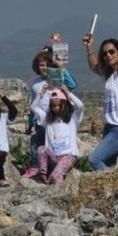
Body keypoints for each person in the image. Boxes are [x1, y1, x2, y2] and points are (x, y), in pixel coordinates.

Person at [82, 34, 118, 170]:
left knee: (94, 159)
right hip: (110, 126)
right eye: (105, 53)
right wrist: (90, 47)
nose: (108, 55)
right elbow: (94, 67)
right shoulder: (111, 75)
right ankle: (110, 188)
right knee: (108, 164)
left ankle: (112, 182)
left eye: (112, 51)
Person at [24, 50, 78, 178]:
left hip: (55, 120)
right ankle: (37, 167)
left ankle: (57, 167)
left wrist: (61, 68)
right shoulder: (35, 84)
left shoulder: (57, 81)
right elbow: (33, 104)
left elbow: (72, 84)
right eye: (41, 65)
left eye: (48, 65)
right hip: (40, 121)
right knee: (36, 144)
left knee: (53, 146)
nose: (44, 68)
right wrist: (30, 122)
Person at [30, 87, 84, 184]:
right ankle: (43, 174)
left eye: (59, 105)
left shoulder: (72, 118)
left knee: (56, 176)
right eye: (53, 106)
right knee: (41, 149)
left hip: (68, 155)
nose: (56, 108)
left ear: (65, 104)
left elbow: (80, 106)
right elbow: (33, 107)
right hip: (54, 156)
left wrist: (68, 93)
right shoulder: (47, 119)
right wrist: (41, 93)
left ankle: (59, 192)